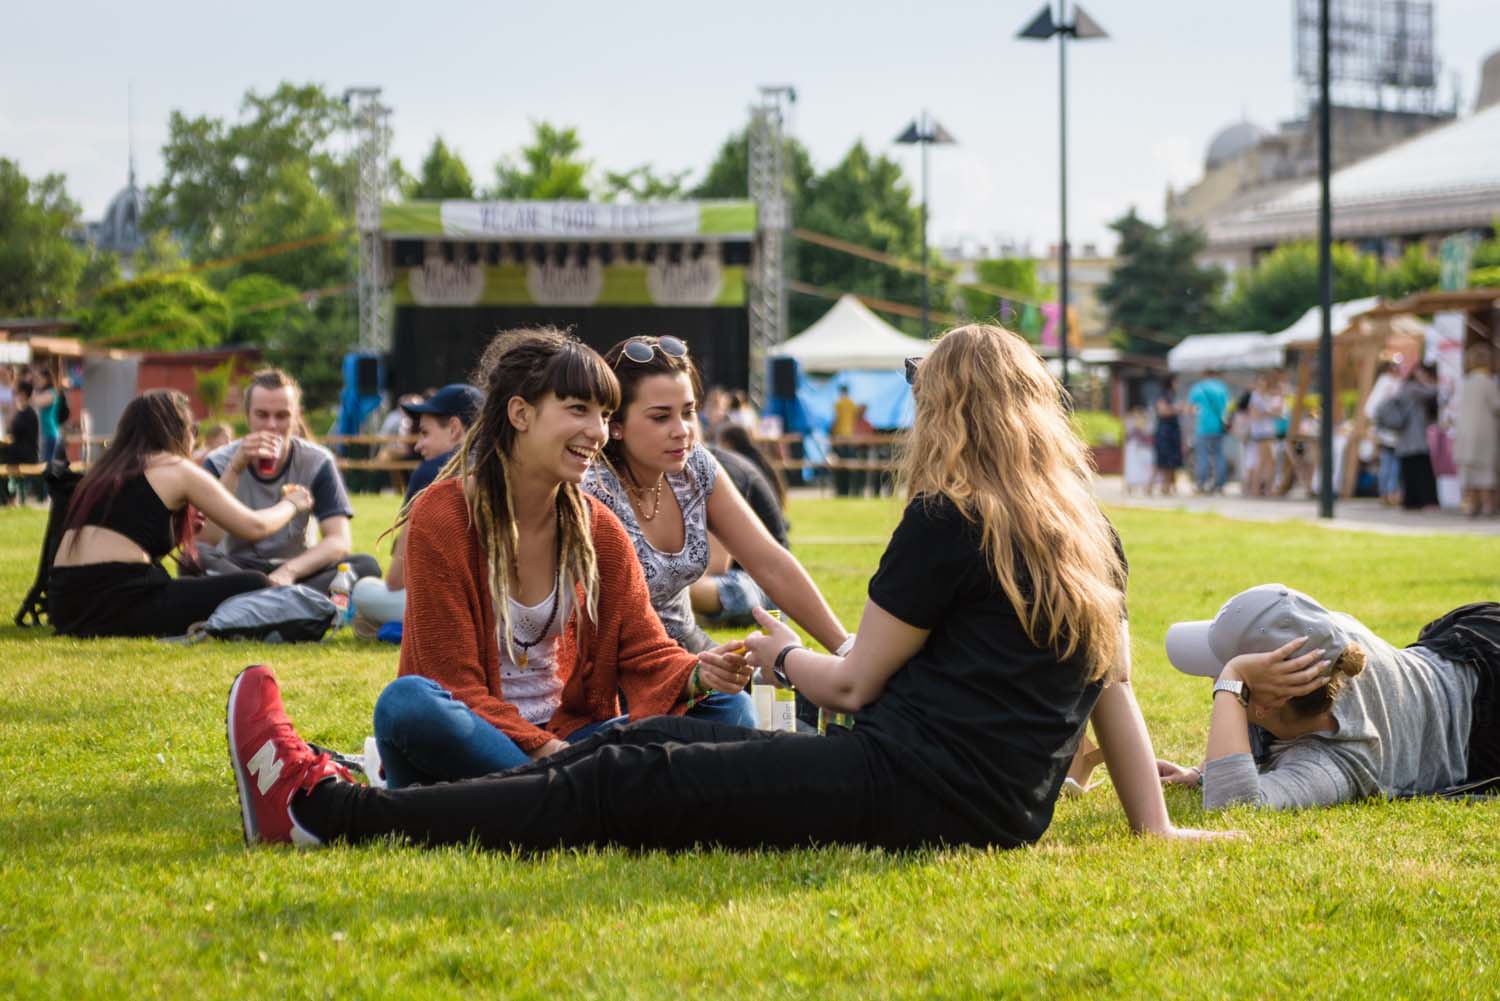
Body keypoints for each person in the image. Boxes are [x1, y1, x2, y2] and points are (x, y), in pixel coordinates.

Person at [228, 322, 1225, 851]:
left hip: (902, 780)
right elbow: (1117, 690)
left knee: (615, 780)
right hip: (996, 807)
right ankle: (343, 781)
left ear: (950, 413)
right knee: (623, 742)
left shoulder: (949, 519)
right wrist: (1156, 826)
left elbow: (851, 687)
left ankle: (332, 809)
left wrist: (773, 651)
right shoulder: (1092, 536)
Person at [366, 329, 756, 788]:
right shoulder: (445, 514)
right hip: (484, 736)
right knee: (407, 703)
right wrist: (559, 758)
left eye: (605, 414)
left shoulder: (597, 526)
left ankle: (546, 796)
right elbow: (452, 685)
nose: (597, 431)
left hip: (574, 740)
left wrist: (699, 675)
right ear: (520, 413)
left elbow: (645, 650)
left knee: (729, 708)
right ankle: (576, 792)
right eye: (578, 409)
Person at [583, 334, 849, 656]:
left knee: (796, 689)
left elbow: (770, 563)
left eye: (688, 411)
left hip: (689, 648)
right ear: (615, 424)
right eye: (660, 417)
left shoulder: (696, 466)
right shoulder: (591, 488)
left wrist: (845, 648)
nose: (682, 430)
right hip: (619, 665)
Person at [1157, 584, 1500, 809]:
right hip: (1469, 647)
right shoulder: (1325, 642)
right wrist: (1202, 774)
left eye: (1224, 672)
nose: (1214, 679)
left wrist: (1232, 680)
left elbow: (1233, 806)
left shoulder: (1335, 760)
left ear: (1267, 701)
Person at [47, 390, 313, 638]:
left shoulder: (103, 471)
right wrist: (291, 504)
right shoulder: (175, 467)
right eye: (193, 430)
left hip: (65, 605)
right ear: (178, 431)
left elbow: (129, 542)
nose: (193, 437)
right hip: (122, 600)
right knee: (256, 583)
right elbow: (253, 527)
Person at [192, 369, 381, 592]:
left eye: (282, 416)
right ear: (247, 415)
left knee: (365, 565)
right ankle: (284, 601)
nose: (272, 425)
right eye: (262, 415)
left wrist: (289, 572)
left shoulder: (317, 461)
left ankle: (259, 600)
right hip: (238, 570)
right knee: (192, 556)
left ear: (296, 417)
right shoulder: (219, 461)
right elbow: (206, 540)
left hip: (297, 570)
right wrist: (235, 469)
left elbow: (339, 540)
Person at [351, 383, 483, 637]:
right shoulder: (508, 465)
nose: (418, 445)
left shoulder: (433, 471)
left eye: (424, 433)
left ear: (455, 429)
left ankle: (398, 627)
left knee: (363, 590)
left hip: (455, 610)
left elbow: (396, 580)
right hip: (509, 610)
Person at [690, 424, 789, 626]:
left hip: (762, 588)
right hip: (732, 583)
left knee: (667, 588)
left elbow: (716, 564)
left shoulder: (717, 471)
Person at [1456, 345, 1500, 518]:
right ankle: (1488, 506)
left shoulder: (1466, 382)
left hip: (1465, 434)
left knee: (1470, 472)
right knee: (1486, 471)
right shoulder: (1488, 382)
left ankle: (1472, 505)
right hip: (1484, 434)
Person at [1396, 363, 1440, 511]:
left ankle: (1412, 502)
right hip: (1414, 440)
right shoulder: (1412, 388)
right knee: (1422, 471)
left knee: (1410, 471)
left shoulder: (1405, 388)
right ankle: (1424, 501)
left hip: (1406, 441)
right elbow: (1433, 392)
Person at [1363, 358, 1404, 506]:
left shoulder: (1388, 383)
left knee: (1389, 463)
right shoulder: (1388, 383)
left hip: (1388, 431)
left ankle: (1387, 493)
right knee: (1391, 463)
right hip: (1390, 431)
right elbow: (1371, 409)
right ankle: (1389, 493)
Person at [1187, 369, 1230, 494]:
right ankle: (1220, 485)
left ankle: (1201, 484)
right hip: (1219, 426)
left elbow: (1190, 409)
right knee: (1219, 455)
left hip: (1203, 426)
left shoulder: (1198, 388)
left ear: (1203, 374)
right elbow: (1227, 407)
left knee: (1203, 456)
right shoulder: (1222, 387)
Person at [1151, 377, 1183, 496]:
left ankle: (1169, 487)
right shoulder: (1163, 395)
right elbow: (1162, 411)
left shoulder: (1172, 395)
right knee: (1163, 461)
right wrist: (1177, 409)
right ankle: (1152, 486)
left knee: (1172, 461)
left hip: (1172, 431)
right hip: (1165, 432)